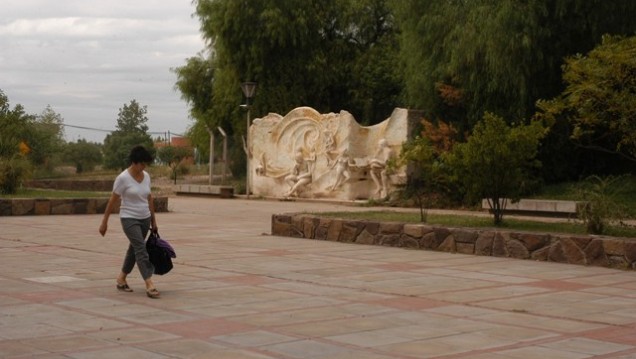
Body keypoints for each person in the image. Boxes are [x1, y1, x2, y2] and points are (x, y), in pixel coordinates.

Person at [99, 145, 160, 299]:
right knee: (140, 248)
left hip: (145, 218)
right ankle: (149, 282)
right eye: (142, 163)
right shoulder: (122, 178)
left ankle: (121, 278)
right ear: (134, 162)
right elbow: (112, 201)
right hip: (129, 218)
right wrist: (104, 222)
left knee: (134, 249)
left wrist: (154, 221)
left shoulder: (146, 176)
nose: (144, 166)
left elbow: (149, 198)